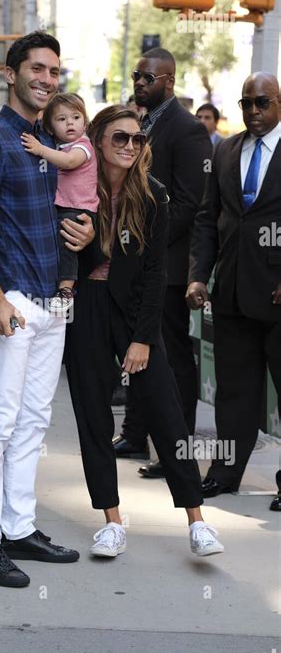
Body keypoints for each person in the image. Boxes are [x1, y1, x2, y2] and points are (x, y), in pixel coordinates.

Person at [0, 32, 95, 588]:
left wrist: (83, 239)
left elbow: (71, 207)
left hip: (51, 303)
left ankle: (19, 527)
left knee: (34, 421)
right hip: (11, 300)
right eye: (37, 68)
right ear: (10, 74)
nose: (47, 79)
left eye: (55, 72)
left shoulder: (47, 142)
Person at [65, 105, 224, 558]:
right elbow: (69, 258)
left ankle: (197, 520)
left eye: (138, 139)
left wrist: (142, 337)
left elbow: (156, 274)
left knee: (166, 412)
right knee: (92, 415)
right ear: (97, 141)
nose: (131, 146)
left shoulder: (153, 194)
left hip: (135, 309)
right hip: (87, 309)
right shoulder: (74, 188)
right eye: (120, 138)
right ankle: (112, 521)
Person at [113, 48, 212, 479]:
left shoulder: (188, 130)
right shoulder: (141, 123)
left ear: (168, 81)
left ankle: (177, 448)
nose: (139, 83)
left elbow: (191, 203)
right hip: (137, 261)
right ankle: (135, 434)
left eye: (147, 78)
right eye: (137, 75)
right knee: (137, 349)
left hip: (168, 265)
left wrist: (148, 241)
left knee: (172, 359)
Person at [187, 72, 281, 502]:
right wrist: (197, 275)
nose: (254, 112)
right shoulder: (225, 149)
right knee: (233, 393)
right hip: (231, 295)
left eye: (262, 103)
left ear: (278, 103)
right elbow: (209, 219)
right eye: (247, 104)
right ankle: (225, 474)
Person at [21, 92, 98, 312]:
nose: (70, 123)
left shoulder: (83, 146)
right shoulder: (59, 146)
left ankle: (66, 289)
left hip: (80, 208)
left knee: (66, 243)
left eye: (75, 117)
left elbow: (69, 161)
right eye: (61, 119)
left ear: (85, 121)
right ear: (51, 127)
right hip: (64, 206)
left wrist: (40, 149)